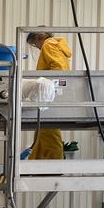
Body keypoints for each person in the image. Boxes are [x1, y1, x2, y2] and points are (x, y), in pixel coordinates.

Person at [26, 31, 73, 160]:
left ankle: (55, 166)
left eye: (35, 44)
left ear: (39, 37)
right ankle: (34, 165)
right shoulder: (55, 45)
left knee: (49, 131)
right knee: (42, 131)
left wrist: (45, 86)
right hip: (49, 95)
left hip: (49, 96)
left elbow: (59, 70)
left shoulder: (49, 45)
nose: (38, 47)